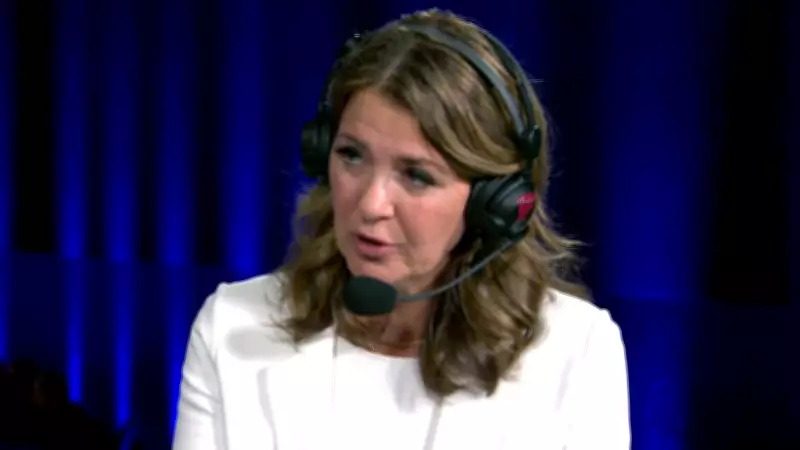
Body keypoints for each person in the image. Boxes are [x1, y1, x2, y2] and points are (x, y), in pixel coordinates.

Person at [173, 8, 630, 450]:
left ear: (497, 204)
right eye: (351, 155)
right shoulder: (231, 328)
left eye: (416, 175)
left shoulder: (577, 353)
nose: (371, 204)